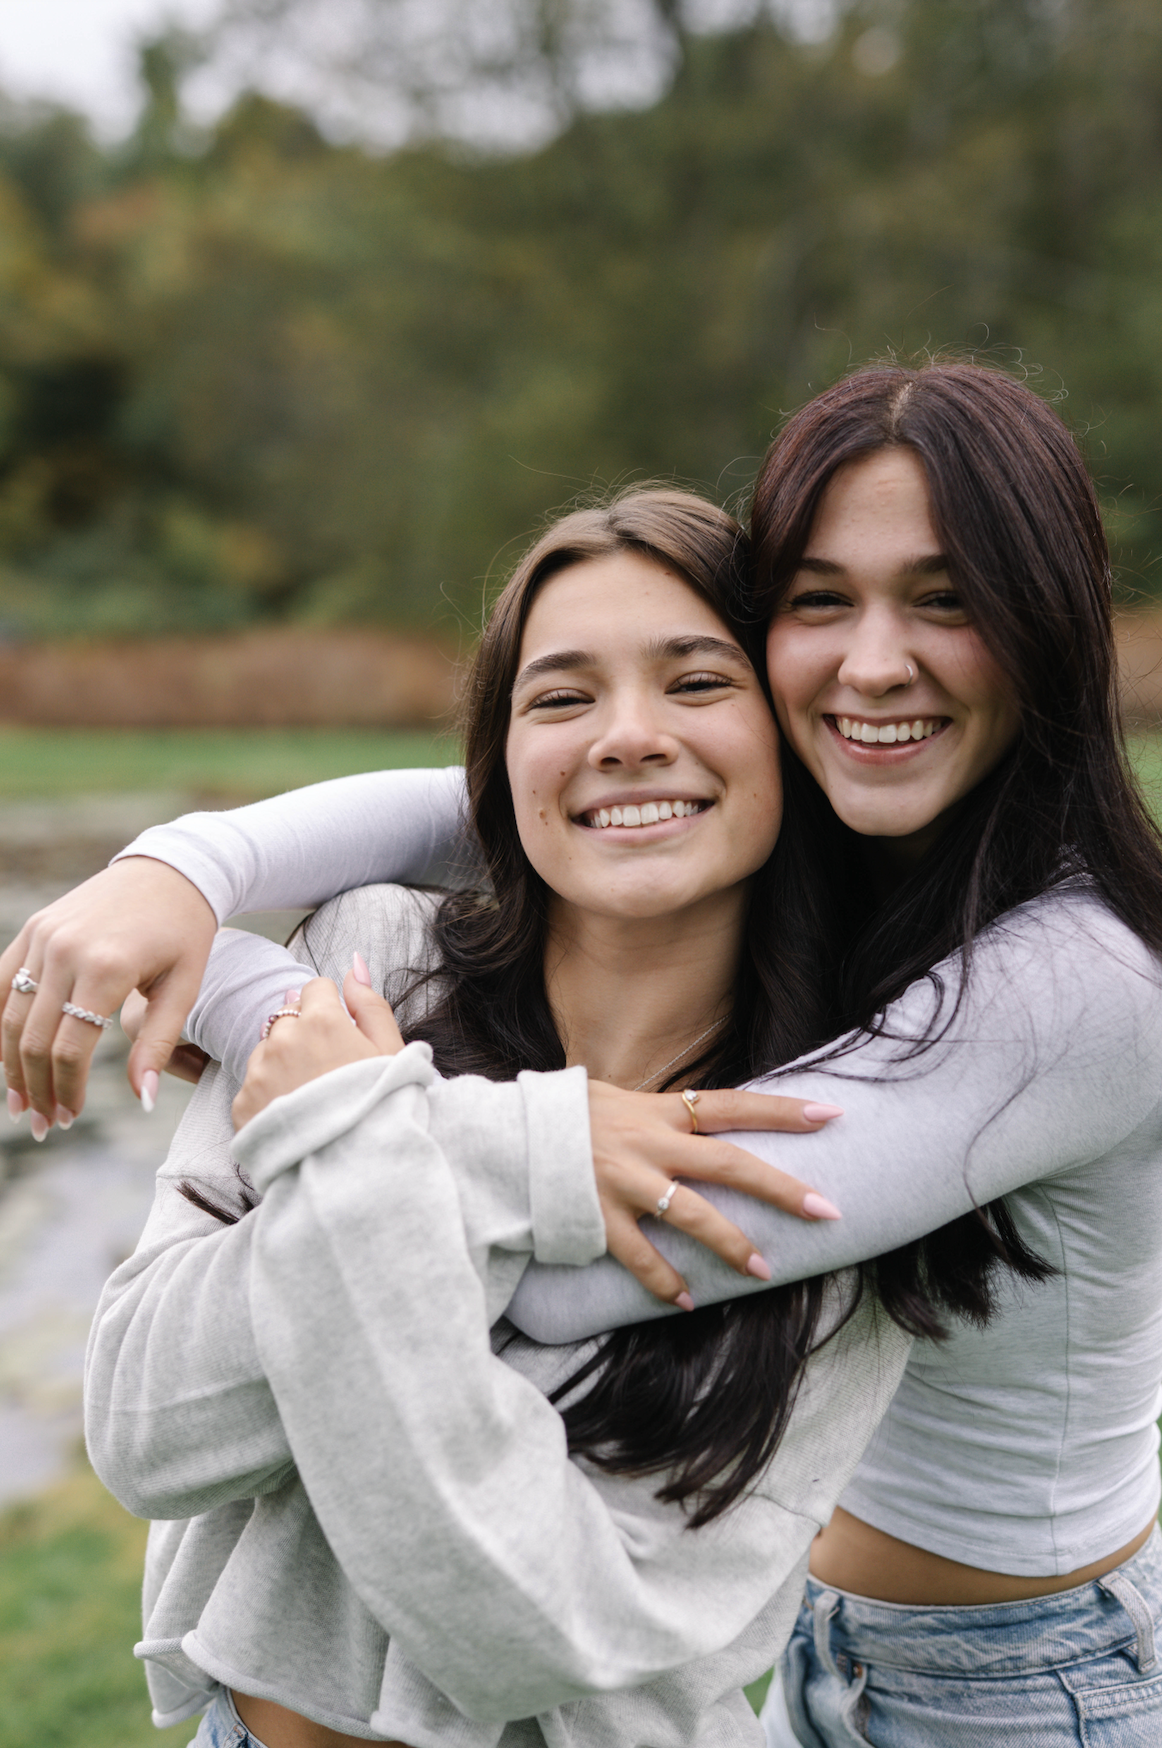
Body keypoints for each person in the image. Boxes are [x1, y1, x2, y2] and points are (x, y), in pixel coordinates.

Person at [14, 360, 1162, 1742]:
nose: (870, 662)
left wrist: (350, 1106)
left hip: (1020, 1676)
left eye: (946, 596)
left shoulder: (1019, 1007)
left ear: (1046, 619)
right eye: (817, 601)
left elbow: (565, 1302)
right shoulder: (386, 951)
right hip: (824, 1630)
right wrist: (189, 879)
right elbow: (150, 1431)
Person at [83, 489, 915, 1748]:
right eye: (562, 697)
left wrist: (365, 1143)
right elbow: (147, 1429)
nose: (627, 737)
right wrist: (511, 1153)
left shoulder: (843, 1120)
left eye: (696, 682)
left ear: (790, 736)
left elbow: (526, 1628)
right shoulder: (372, 960)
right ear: (502, 755)